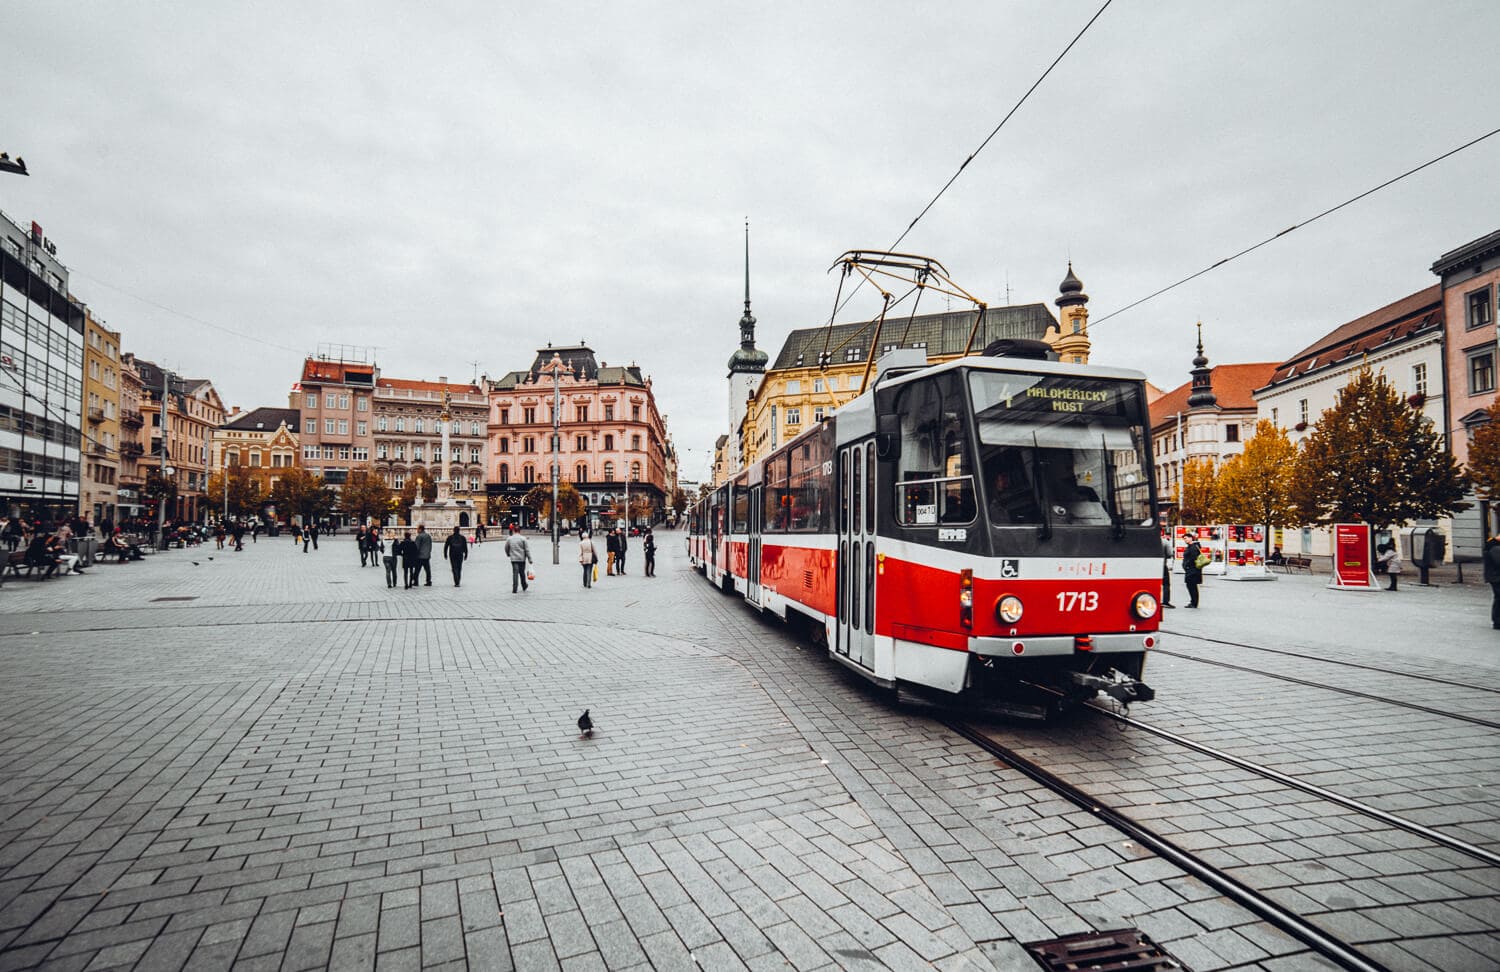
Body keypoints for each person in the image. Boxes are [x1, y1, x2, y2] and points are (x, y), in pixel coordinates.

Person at [504, 525, 532, 593]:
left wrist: (508, 554)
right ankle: (524, 585)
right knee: (522, 573)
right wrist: (529, 559)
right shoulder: (523, 539)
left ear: (513, 530)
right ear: (519, 531)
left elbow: (506, 548)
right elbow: (527, 550)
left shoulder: (509, 539)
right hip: (522, 558)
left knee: (515, 573)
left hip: (513, 559)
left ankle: (514, 588)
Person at [1182, 537, 1204, 608]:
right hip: (1191, 569)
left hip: (1192, 570)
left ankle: (1194, 603)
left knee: (1192, 586)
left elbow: (1193, 558)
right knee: (1191, 586)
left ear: (1191, 538)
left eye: (1186, 538)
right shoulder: (1191, 547)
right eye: (1184, 539)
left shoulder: (1193, 547)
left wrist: (1186, 565)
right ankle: (1193, 602)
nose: (1185, 540)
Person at [1485, 535, 1500, 630]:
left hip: (1494, 577)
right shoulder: (1496, 549)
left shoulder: (1493, 547)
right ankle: (1497, 621)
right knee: (1499, 598)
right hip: (1496, 578)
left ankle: (1497, 621)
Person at [1160, 534, 1176, 608]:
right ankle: (1165, 601)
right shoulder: (1165, 542)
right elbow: (1170, 554)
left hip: (1150, 566)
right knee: (1166, 584)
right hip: (1162, 566)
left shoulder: (1147, 541)